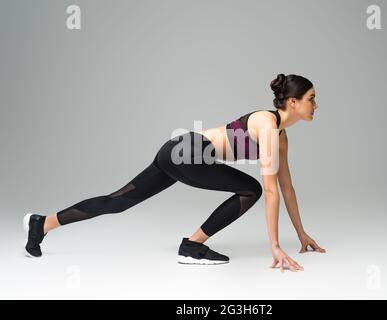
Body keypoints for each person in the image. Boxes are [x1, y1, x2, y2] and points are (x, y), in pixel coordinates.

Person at [23, 73, 325, 272]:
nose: (316, 105)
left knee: (118, 201)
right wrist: (275, 246)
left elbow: (287, 188)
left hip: (177, 152)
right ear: (293, 102)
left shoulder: (281, 138)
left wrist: (300, 233)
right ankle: (192, 246)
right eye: (311, 98)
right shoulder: (267, 125)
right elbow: (270, 190)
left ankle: (42, 224)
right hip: (189, 154)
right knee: (253, 189)